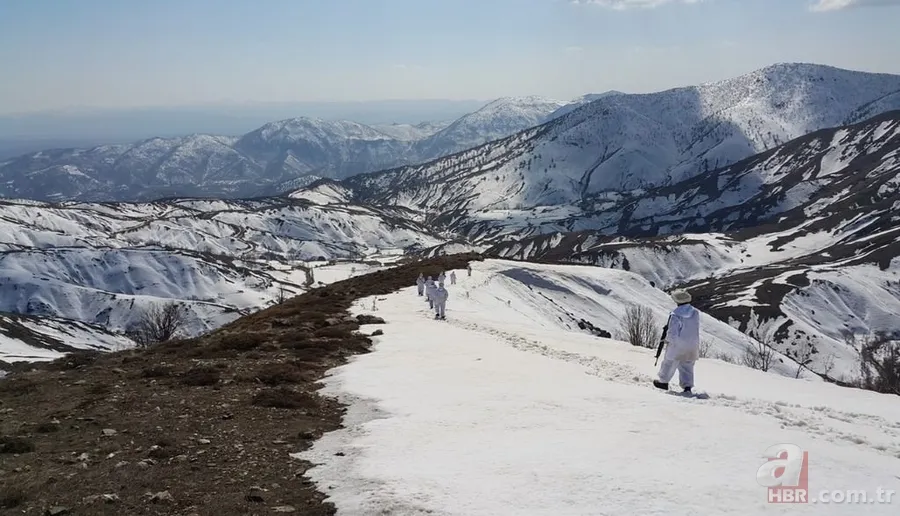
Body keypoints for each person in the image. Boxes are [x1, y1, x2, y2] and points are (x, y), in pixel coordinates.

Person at [653, 289, 701, 393]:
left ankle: (663, 382)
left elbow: (672, 333)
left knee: (669, 363)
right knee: (687, 366)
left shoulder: (675, 315)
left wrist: (668, 341)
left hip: (677, 345)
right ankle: (687, 387)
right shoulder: (695, 313)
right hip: (692, 344)